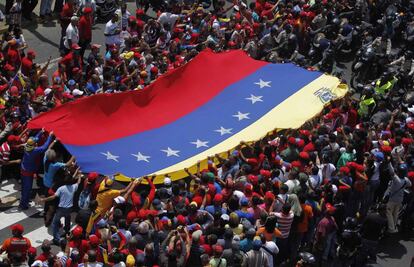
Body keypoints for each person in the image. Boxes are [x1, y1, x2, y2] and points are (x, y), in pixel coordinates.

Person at [40, 167, 83, 245]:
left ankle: (57, 239)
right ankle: (67, 232)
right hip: (69, 208)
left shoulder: (61, 188)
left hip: (61, 209)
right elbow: (78, 182)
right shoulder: (73, 187)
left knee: (54, 223)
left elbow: (53, 197)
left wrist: (44, 200)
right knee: (67, 219)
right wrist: (79, 175)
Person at [19, 131, 54, 210]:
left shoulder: (26, 146)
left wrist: (41, 131)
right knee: (27, 189)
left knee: (24, 187)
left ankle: (25, 201)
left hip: (23, 170)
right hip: (28, 173)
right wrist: (50, 136)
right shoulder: (34, 151)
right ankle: (23, 205)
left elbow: (34, 139)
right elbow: (44, 147)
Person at [384, 163, 412, 233]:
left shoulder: (396, 179)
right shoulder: (406, 180)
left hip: (392, 199)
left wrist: (389, 163)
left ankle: (391, 228)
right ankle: (394, 226)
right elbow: (410, 184)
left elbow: (392, 171)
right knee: (395, 213)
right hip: (400, 199)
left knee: (389, 212)